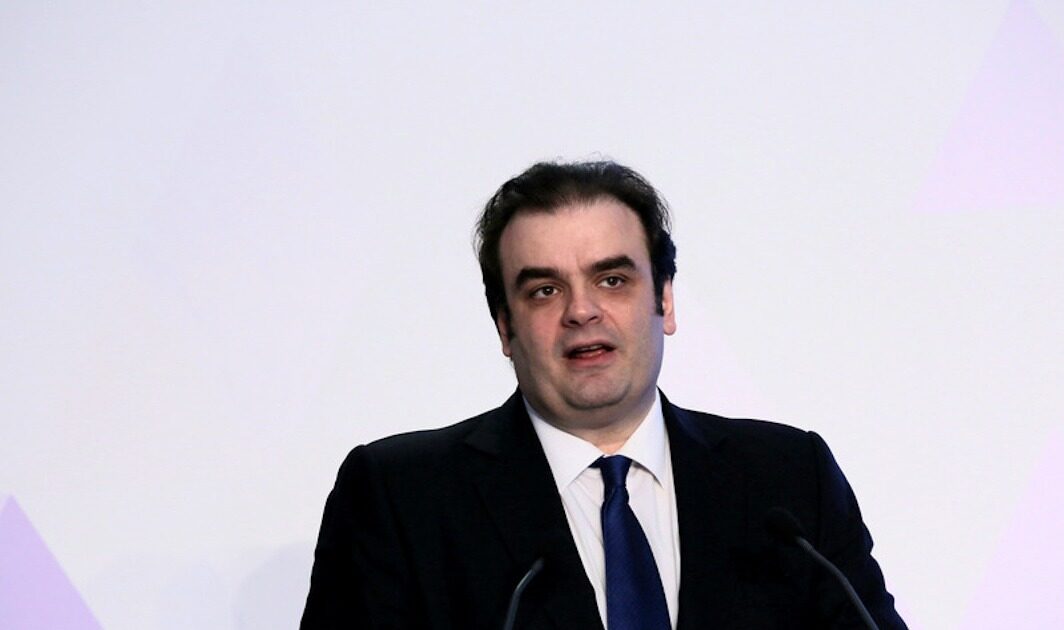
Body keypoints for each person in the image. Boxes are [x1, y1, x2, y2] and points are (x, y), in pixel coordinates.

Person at [301, 160, 907, 629]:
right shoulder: (402, 496)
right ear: (505, 327)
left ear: (664, 300)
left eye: (612, 279)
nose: (582, 311)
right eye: (544, 291)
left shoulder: (788, 481)